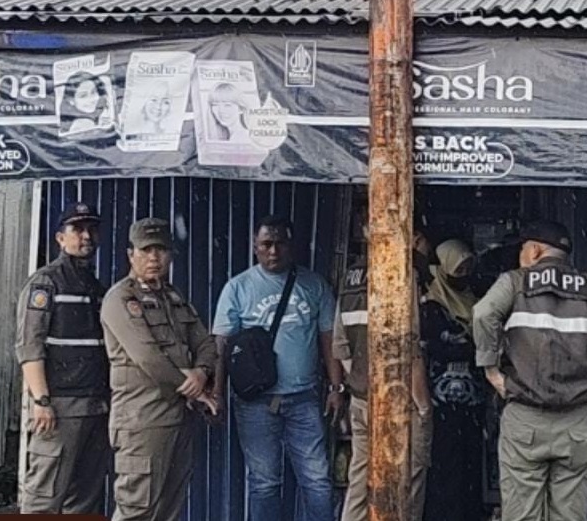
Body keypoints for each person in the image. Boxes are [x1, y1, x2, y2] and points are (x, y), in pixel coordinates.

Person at [473, 220, 587, 521]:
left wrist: (491, 371)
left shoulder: (514, 282)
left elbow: (483, 313)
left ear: (534, 250)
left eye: (522, 248)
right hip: (577, 422)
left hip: (525, 417)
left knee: (522, 515)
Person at [212, 215, 338, 521]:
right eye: (266, 244)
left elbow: (330, 339)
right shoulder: (237, 288)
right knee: (264, 482)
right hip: (255, 402)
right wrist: (216, 393)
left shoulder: (314, 285)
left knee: (317, 480)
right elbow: (221, 347)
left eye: (280, 243)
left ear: (290, 246)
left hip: (304, 397)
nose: (273, 251)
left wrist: (337, 387)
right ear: (254, 246)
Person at [100, 218, 219, 521]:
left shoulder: (174, 298)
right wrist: (194, 387)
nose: (154, 257)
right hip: (142, 421)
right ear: (131, 255)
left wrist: (202, 372)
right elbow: (148, 357)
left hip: (178, 419)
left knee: (169, 509)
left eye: (161, 250)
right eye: (146, 250)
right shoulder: (121, 299)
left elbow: (206, 343)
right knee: (136, 510)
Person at [15, 202, 111, 514]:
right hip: (59, 408)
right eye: (77, 229)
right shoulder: (46, 283)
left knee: (84, 501)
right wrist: (42, 401)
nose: (86, 236)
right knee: (44, 499)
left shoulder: (96, 287)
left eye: (91, 229)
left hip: (96, 406)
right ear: (60, 238)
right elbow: (30, 346)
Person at [334, 225, 435, 521]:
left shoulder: (350, 278)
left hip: (362, 399)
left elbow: (341, 346)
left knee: (360, 482)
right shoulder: (402, 273)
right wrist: (423, 406)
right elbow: (409, 347)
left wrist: (362, 381)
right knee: (408, 482)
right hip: (401, 398)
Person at [422, 239, 488, 521]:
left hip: (473, 400)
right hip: (441, 401)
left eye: (468, 269)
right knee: (445, 463)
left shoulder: (476, 299)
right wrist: (469, 347)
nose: (464, 276)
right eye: (458, 270)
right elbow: (434, 346)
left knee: (471, 462)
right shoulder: (432, 305)